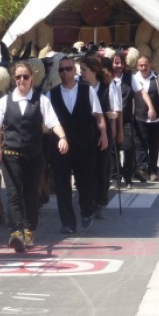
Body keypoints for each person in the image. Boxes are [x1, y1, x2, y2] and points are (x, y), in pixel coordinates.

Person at [0, 61, 68, 253]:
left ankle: (29, 228)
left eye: (25, 76)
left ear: (32, 78)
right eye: (18, 77)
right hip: (10, 155)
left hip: (34, 156)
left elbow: (53, 122)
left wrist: (63, 137)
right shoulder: (4, 102)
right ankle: (16, 233)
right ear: (13, 79)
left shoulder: (41, 101)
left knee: (31, 194)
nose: (21, 80)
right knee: (13, 195)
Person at [48, 56, 107, 233]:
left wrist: (103, 134)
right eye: (61, 70)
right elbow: (46, 120)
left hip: (85, 144)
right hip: (61, 146)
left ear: (74, 70)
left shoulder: (87, 91)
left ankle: (87, 212)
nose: (65, 73)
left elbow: (98, 116)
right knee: (62, 185)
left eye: (68, 69)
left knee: (85, 182)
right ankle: (67, 222)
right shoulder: (52, 93)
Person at [81, 55, 121, 217]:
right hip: (85, 134)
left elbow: (115, 112)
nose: (81, 73)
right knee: (87, 169)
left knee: (101, 169)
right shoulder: (79, 88)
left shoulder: (107, 87)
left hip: (102, 134)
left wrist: (113, 133)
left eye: (84, 70)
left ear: (93, 71)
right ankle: (88, 201)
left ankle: (99, 202)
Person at [132, 55, 159, 183]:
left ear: (150, 65)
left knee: (154, 144)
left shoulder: (157, 77)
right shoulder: (134, 79)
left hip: (156, 119)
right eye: (141, 65)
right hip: (140, 117)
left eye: (146, 65)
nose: (143, 68)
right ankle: (142, 169)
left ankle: (153, 171)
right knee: (141, 144)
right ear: (137, 66)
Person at [112, 50, 135, 189]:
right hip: (112, 119)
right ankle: (115, 175)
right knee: (113, 149)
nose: (118, 65)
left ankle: (127, 175)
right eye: (116, 63)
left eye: (120, 63)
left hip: (126, 119)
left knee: (129, 147)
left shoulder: (130, 78)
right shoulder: (107, 79)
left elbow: (141, 89)